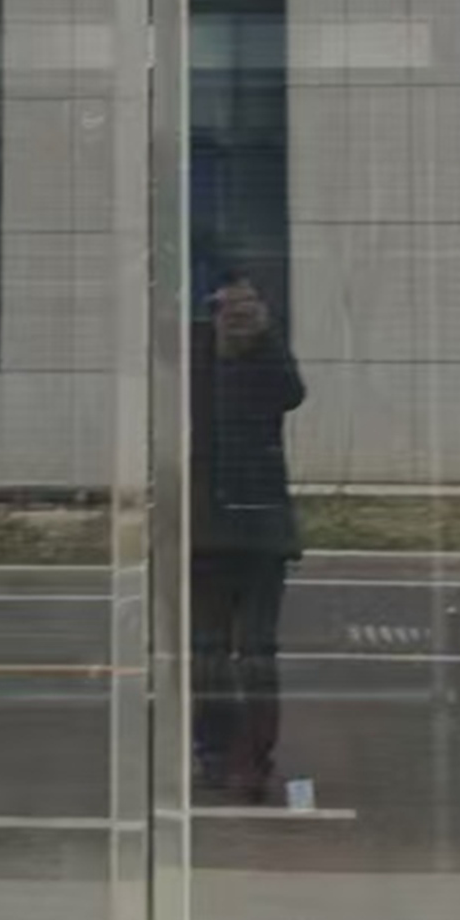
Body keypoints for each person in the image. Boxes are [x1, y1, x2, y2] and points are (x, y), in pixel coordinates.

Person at [189, 268, 306, 806]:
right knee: (210, 650)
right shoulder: (197, 356)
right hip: (209, 526)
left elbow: (291, 394)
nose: (235, 318)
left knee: (253, 651)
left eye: (246, 308)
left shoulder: (266, 359)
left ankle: (248, 761)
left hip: (256, 528)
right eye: (227, 307)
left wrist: (262, 337)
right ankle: (218, 754)